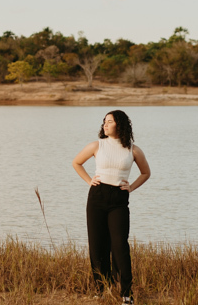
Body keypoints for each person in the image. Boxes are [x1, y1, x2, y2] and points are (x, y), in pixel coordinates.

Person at [72, 110, 151, 305]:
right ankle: (102, 289)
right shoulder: (96, 145)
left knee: (120, 246)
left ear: (120, 125)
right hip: (97, 196)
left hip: (119, 199)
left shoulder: (133, 150)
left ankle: (126, 294)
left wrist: (131, 187)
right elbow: (76, 162)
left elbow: (145, 173)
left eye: (109, 122)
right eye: (104, 122)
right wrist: (90, 180)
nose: (105, 125)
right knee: (97, 245)